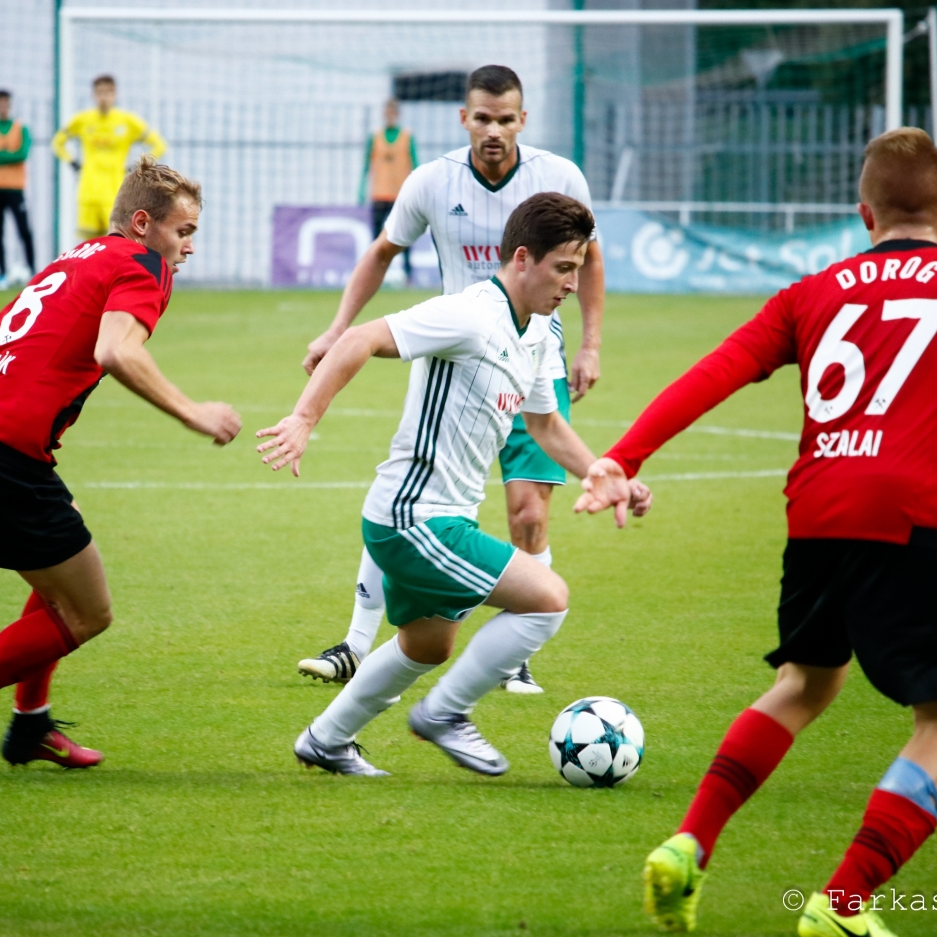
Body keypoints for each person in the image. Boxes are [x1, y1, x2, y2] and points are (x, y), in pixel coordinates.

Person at [574, 127, 937, 936]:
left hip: (817, 516)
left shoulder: (811, 292)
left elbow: (714, 371)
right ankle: (845, 905)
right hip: (910, 519)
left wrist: (622, 455)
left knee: (805, 682)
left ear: (863, 215)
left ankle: (690, 842)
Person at [259, 194, 647, 777]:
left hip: (445, 519)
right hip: (412, 518)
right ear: (523, 258)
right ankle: (445, 713)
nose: (573, 281)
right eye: (564, 267)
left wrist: (598, 469)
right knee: (547, 599)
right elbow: (360, 338)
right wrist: (304, 419)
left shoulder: (540, 331)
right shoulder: (469, 314)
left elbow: (543, 424)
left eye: (578, 267)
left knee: (428, 644)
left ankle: (326, 739)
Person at [0, 157, 242, 775]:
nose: (189, 247)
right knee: (88, 613)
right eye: (183, 232)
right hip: (3, 457)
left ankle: (30, 724)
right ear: (143, 223)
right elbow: (114, 350)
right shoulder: (143, 264)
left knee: (63, 562)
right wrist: (194, 412)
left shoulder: (72, 259)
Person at [297, 64, 606, 695]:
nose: (494, 130)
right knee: (413, 493)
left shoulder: (559, 178)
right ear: (463, 119)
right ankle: (356, 643)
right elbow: (383, 251)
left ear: (524, 120)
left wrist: (592, 343)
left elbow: (589, 259)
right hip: (451, 355)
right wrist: (337, 327)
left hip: (531, 354)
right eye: (483, 118)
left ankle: (514, 652)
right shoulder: (432, 182)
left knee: (527, 511)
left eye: (507, 118)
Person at [52, 75, 167, 243]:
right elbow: (58, 142)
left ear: (115, 95)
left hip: (115, 193)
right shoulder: (83, 120)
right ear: (93, 95)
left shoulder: (126, 121)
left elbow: (159, 145)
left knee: (115, 242)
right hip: (88, 192)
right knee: (88, 246)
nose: (103, 97)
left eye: (108, 93)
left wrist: (137, 167)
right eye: (99, 92)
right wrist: (72, 162)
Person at [0, 89, 35, 291]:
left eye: (5, 102)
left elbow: (22, 154)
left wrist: (1, 155)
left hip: (15, 187)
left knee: (24, 230)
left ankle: (32, 271)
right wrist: (8, 155)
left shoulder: (21, 129)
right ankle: (2, 274)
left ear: (9, 104)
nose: (2, 106)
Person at [360, 98, 418, 283]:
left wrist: (416, 190)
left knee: (405, 237)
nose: (390, 116)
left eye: (393, 113)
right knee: (377, 238)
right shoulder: (375, 137)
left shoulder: (407, 137)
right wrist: (361, 190)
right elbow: (366, 166)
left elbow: (416, 165)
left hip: (401, 195)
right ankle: (372, 275)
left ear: (398, 115)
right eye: (387, 113)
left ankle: (408, 274)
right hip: (379, 194)